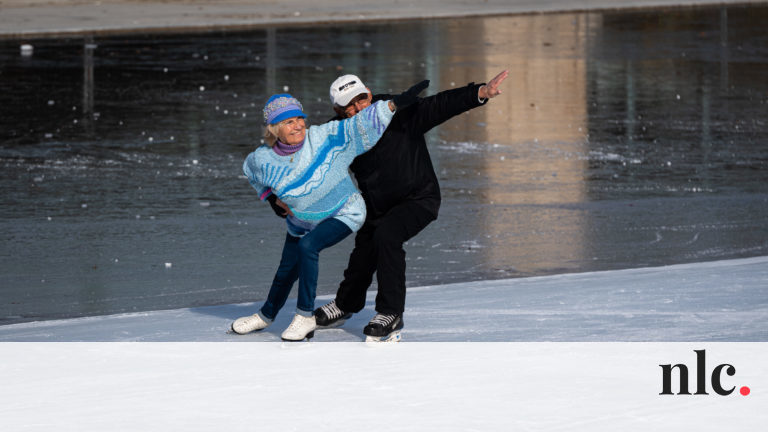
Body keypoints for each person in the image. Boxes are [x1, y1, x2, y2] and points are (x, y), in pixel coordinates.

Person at [314, 70, 509, 341]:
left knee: (387, 236)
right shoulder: (339, 133)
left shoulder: (398, 111)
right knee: (365, 249)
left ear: (369, 93)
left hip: (418, 198)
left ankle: (390, 312)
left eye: (362, 99)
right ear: (338, 109)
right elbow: (314, 167)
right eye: (350, 104)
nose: (359, 107)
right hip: (377, 204)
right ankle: (346, 304)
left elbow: (439, 105)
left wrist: (479, 93)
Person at [232, 81, 428, 341]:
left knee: (308, 248)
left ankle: (304, 317)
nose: (299, 125)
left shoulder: (325, 137)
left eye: (300, 119)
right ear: (275, 129)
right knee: (287, 269)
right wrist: (271, 199)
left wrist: (392, 105)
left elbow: (358, 126)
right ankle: (266, 316)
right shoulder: (262, 159)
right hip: (302, 219)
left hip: (344, 211)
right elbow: (252, 172)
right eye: (289, 122)